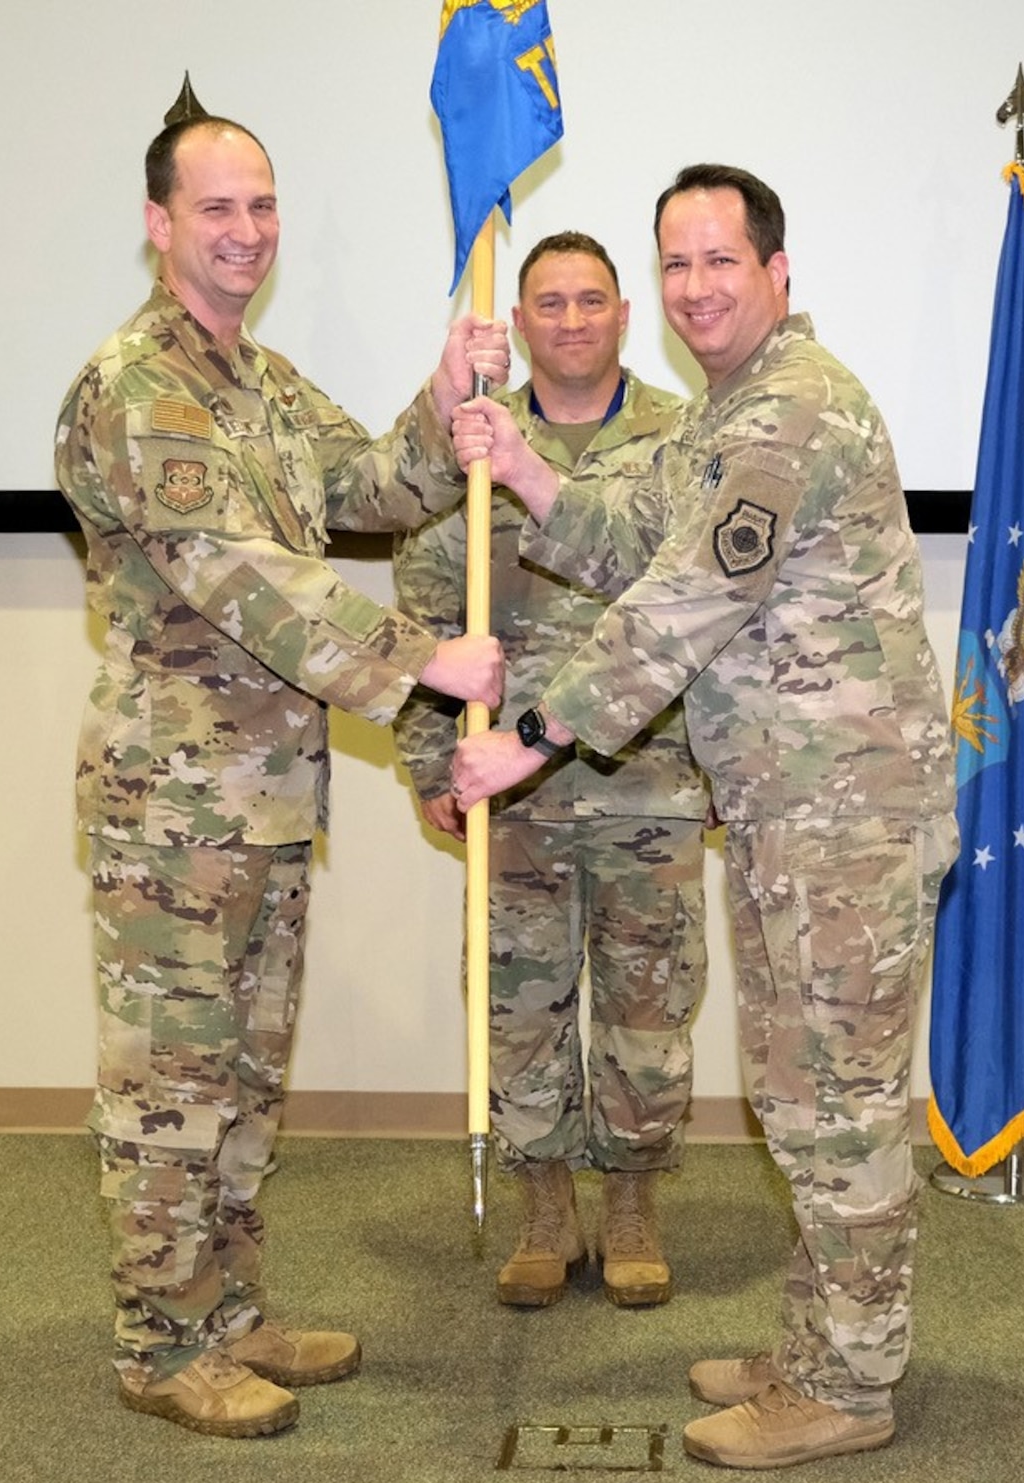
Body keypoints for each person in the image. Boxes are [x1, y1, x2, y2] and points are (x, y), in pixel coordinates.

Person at [447, 164, 956, 1469]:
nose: (695, 287)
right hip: (792, 813)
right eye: (675, 264)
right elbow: (639, 531)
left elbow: (682, 608)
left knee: (835, 1103)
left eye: (719, 260)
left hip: (843, 824)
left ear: (778, 272)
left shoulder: (791, 413)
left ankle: (845, 1385)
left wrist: (533, 740)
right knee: (796, 1092)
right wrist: (522, 468)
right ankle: (818, 1346)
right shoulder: (730, 415)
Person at [55, 101, 508, 1439]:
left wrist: (446, 408)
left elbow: (365, 489)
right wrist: (426, 656)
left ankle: (230, 1313)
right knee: (170, 1085)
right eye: (216, 210)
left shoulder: (260, 378)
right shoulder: (140, 388)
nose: (246, 233)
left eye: (261, 206)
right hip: (177, 810)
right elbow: (250, 581)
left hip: (263, 802)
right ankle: (159, 1342)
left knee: (245, 1082)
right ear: (159, 226)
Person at [392, 232, 706, 1309]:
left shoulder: (681, 438)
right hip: (510, 789)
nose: (570, 322)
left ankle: (629, 1199)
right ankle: (541, 1204)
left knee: (646, 1001)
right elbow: (428, 613)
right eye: (548, 305)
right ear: (516, 324)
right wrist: (431, 757)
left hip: (649, 777)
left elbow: (708, 615)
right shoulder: (477, 443)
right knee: (518, 1001)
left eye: (589, 302)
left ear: (625, 315)